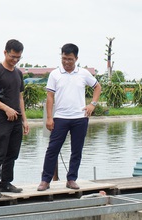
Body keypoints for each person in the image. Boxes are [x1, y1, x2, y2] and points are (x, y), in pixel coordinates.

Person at [37, 43, 102, 191]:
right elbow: (50, 96)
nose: (66, 62)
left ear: (76, 58)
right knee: (52, 149)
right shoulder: (55, 74)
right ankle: (45, 180)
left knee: (77, 150)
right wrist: (49, 118)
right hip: (60, 117)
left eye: (70, 59)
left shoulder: (83, 73)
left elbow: (97, 87)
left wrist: (92, 104)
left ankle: (71, 179)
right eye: (64, 58)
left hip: (80, 117)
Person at [0, 39, 29, 198]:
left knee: (13, 152)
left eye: (18, 57)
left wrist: (24, 119)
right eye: (12, 56)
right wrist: (6, 108)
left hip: (16, 118)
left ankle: (6, 182)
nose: (15, 60)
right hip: (1, 118)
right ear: (5, 53)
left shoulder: (18, 73)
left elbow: (20, 97)